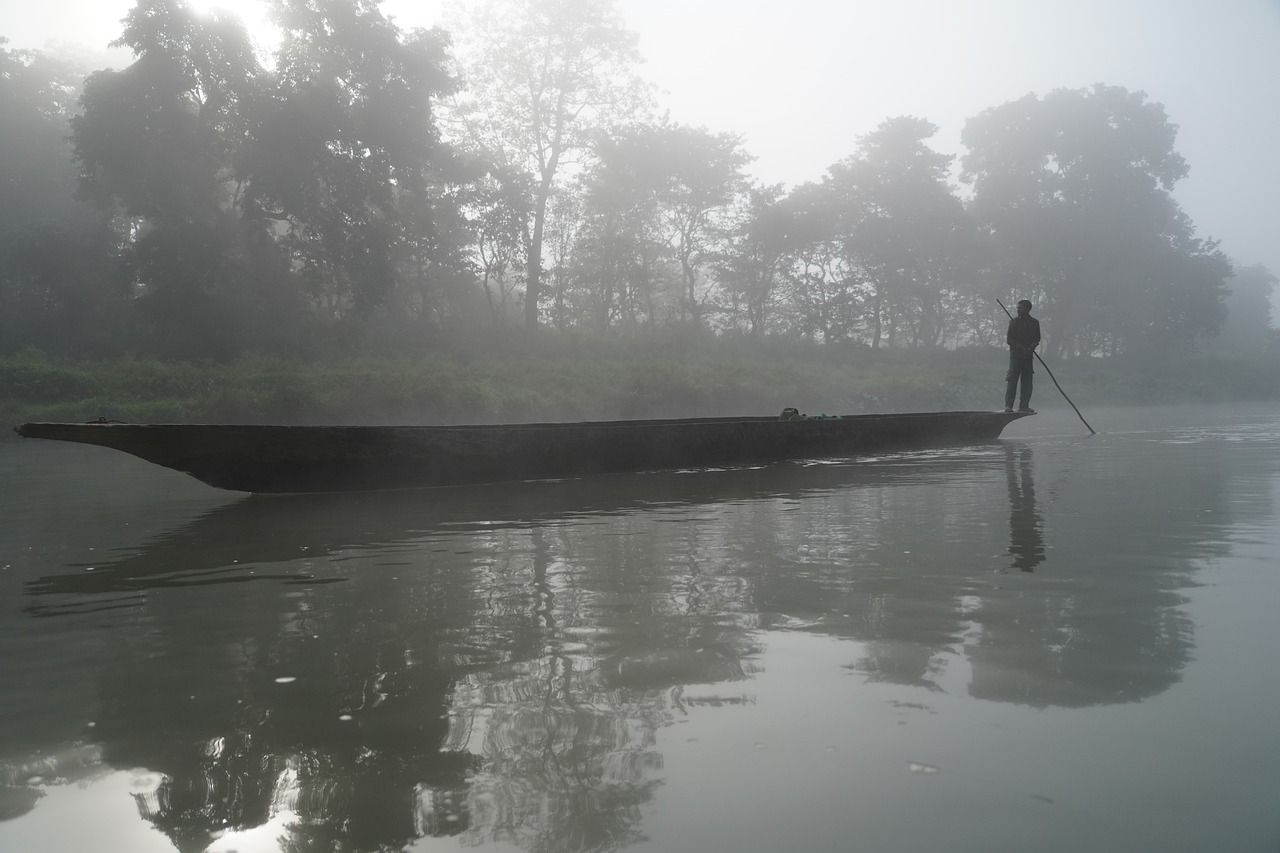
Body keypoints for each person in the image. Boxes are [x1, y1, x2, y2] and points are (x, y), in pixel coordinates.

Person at [1004, 299, 1041, 413]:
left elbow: (1037, 338)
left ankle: (1024, 405)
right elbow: (1010, 340)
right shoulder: (1014, 322)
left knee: (1027, 382)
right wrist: (1022, 348)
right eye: (1017, 308)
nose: (1018, 310)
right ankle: (1008, 405)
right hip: (1015, 356)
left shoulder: (1034, 322)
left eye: (1021, 308)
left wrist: (1032, 347)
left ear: (1028, 309)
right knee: (1012, 381)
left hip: (1028, 357)